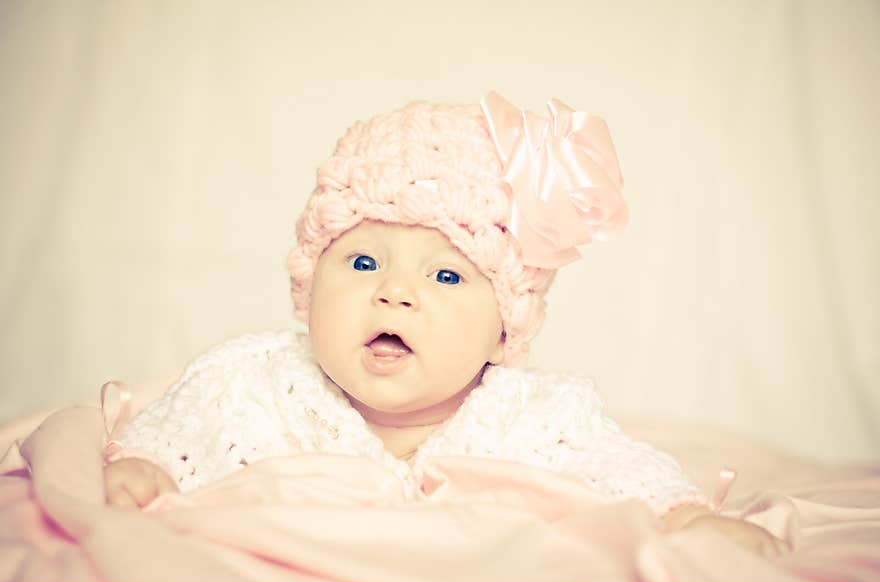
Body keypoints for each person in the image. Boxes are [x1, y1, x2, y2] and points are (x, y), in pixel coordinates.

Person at [103, 91, 785, 557]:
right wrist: (146, 466)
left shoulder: (534, 415)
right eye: (363, 260)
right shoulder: (257, 380)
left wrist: (686, 515)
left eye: (447, 275)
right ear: (309, 285)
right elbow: (180, 426)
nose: (395, 293)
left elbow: (623, 468)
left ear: (503, 329)